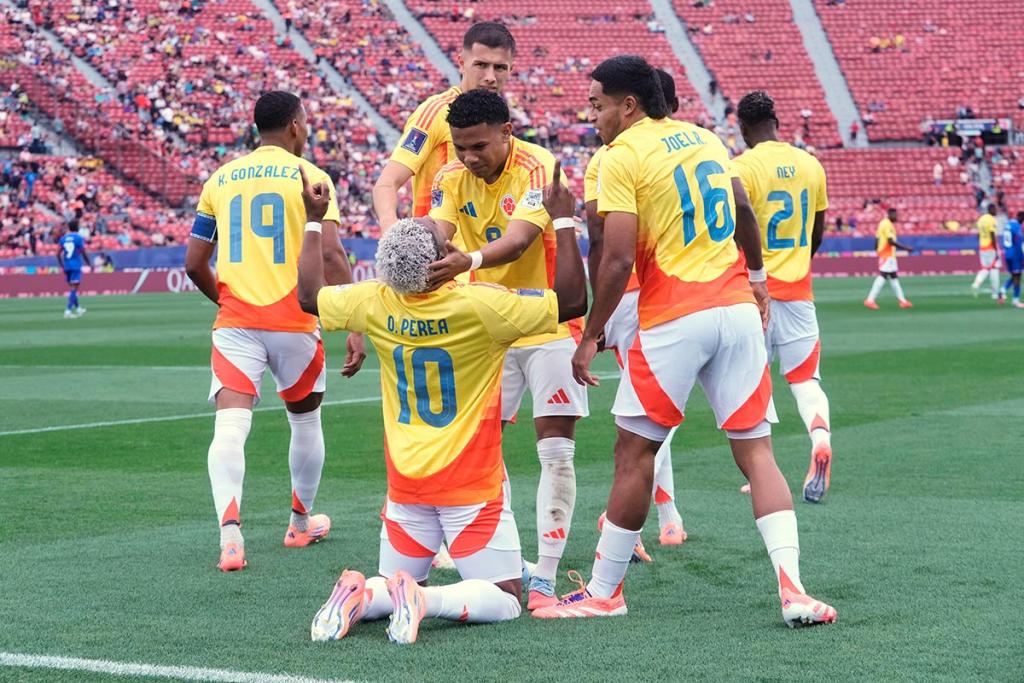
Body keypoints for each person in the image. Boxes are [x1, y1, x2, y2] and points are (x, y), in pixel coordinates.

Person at [533, 55, 836, 628]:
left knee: (635, 452)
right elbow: (744, 209)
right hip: (737, 310)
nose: (591, 114)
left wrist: (590, 334)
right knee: (757, 453)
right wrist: (757, 281)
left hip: (674, 314)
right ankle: (793, 589)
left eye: (597, 104)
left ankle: (605, 591)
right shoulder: (704, 138)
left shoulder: (620, 155)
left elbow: (618, 255)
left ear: (628, 105)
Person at [299, 168, 587, 644]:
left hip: (405, 484)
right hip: (468, 485)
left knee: (391, 585)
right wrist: (563, 221)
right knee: (508, 597)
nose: (437, 223)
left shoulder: (376, 300)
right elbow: (573, 301)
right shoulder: (481, 306)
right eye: (437, 230)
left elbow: (310, 296)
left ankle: (361, 595)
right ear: (439, 262)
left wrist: (313, 221)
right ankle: (426, 601)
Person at [420, 89, 589, 610]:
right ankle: (509, 559)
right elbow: (437, 230)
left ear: (506, 133)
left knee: (555, 450)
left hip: (546, 322)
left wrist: (464, 260)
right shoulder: (450, 175)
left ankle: (547, 575)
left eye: (478, 146)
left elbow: (518, 241)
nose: (469, 157)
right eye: (461, 147)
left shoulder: (539, 166)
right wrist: (421, 240)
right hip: (485, 328)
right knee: (482, 447)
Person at [184, 91, 365, 572]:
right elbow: (329, 255)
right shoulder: (313, 177)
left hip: (237, 324)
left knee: (230, 427)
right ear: (294, 127)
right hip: (295, 321)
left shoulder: (219, 179)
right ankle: (299, 524)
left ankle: (229, 538)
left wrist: (225, 299)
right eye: (305, 124)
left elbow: (194, 263)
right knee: (305, 421)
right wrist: (353, 320)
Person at [586, 68, 687, 552]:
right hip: (675, 293)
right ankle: (666, 516)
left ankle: (640, 522)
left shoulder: (607, 160)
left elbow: (601, 241)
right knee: (654, 416)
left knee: (640, 420)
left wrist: (593, 322)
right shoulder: (684, 148)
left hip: (629, 296)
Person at [733, 91, 833, 504]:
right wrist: (799, 263)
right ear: (776, 121)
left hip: (754, 290)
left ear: (742, 128)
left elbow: (738, 222)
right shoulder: (812, 164)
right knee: (805, 379)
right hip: (799, 289)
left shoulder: (741, 166)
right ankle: (820, 439)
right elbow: (818, 230)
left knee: (756, 381)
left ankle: (763, 472)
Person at [372, 22, 516, 230]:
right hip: (439, 252)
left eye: (500, 67)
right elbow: (386, 184)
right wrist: (392, 233)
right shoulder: (436, 113)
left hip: (483, 256)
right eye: (481, 65)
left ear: (511, 69)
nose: (490, 77)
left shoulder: (500, 121)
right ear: (461, 63)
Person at [864, 208, 914, 309]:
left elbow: (877, 238)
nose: (896, 217)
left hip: (888, 254)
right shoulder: (887, 225)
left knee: (893, 276)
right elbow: (890, 241)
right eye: (895, 214)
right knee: (883, 275)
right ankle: (870, 300)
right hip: (887, 254)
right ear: (890, 214)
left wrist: (877, 250)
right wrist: (906, 248)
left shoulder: (883, 223)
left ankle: (902, 301)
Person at [56, 219, 89, 318]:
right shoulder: (79, 238)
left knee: (72, 288)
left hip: (67, 265)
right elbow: (83, 251)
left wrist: (62, 265)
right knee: (74, 289)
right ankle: (68, 310)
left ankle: (78, 309)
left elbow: (57, 254)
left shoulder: (63, 238)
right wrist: (88, 262)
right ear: (77, 227)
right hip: (75, 265)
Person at [970, 204, 1000, 299]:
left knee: (985, 268)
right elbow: (992, 234)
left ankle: (976, 284)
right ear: (991, 209)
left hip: (982, 247)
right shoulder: (991, 219)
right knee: (994, 268)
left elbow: (979, 234)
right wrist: (996, 250)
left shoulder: (981, 219)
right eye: (995, 209)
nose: (996, 211)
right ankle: (995, 293)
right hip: (990, 247)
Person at [998, 211, 1024, 307]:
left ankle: (1002, 291)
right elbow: (1019, 244)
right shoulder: (1017, 227)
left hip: (1007, 254)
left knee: (1014, 276)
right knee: (1017, 276)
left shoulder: (1008, 225)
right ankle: (1015, 300)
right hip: (1015, 255)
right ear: (1020, 218)